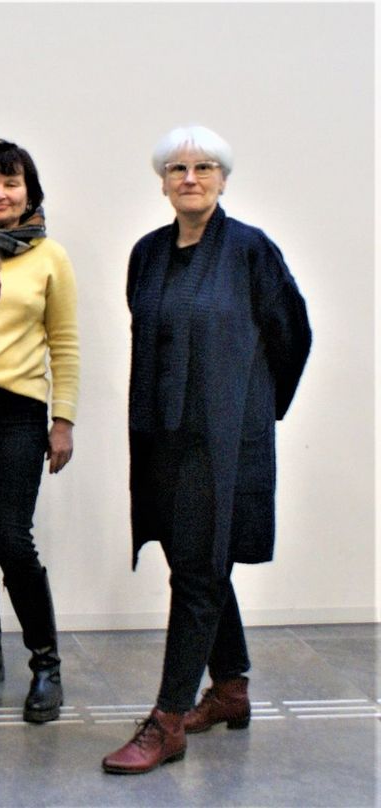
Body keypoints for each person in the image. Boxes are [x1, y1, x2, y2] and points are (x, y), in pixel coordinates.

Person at [102, 125, 311, 774]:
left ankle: (167, 721)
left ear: (223, 178)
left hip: (222, 442)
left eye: (203, 167)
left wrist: (254, 410)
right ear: (161, 181)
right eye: (176, 168)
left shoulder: (251, 251)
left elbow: (293, 334)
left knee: (196, 570)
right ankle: (230, 688)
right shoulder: (146, 254)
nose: (189, 178)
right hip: (162, 438)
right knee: (196, 560)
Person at [0, 140, 80, 722]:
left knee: (12, 538)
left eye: (12, 184)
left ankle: (46, 664)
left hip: (20, 412)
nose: (0, 194)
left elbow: (65, 342)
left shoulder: (50, 256)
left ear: (29, 193)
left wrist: (64, 419)